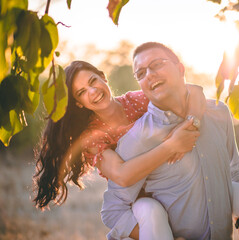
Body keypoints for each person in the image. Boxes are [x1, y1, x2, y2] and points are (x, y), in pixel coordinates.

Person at [101, 42, 239, 240]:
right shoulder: (138, 138)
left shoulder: (219, 113)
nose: (149, 74)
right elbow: (113, 210)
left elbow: (232, 172)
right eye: (141, 73)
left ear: (180, 69)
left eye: (157, 64)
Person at [33, 60, 204, 239]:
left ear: (103, 78)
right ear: (79, 103)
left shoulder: (138, 100)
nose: (92, 92)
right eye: (82, 92)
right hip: (136, 207)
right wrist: (171, 145)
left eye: (93, 81)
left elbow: (193, 91)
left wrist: (189, 125)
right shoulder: (92, 136)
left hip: (172, 190)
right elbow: (122, 176)